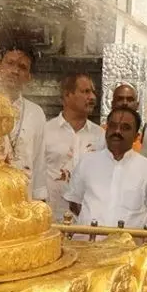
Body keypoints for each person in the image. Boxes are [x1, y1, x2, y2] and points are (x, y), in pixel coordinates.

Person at [64, 106, 147, 229]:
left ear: (137, 136)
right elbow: (74, 202)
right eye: (113, 126)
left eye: (125, 128)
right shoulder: (87, 162)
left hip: (131, 245)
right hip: (90, 244)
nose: (117, 132)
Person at [44, 73, 105, 222]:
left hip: (89, 221)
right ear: (67, 95)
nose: (92, 97)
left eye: (93, 92)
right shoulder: (46, 131)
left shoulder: (100, 135)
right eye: (85, 92)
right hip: (52, 219)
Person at [0, 44, 47, 202]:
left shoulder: (36, 113)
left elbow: (39, 163)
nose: (15, 71)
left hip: (24, 198)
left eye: (22, 67)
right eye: (10, 63)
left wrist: (39, 201)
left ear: (29, 76)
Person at [109, 83, 143, 152]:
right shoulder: (99, 134)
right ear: (112, 104)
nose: (125, 103)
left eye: (130, 99)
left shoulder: (145, 138)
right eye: (120, 99)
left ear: (137, 105)